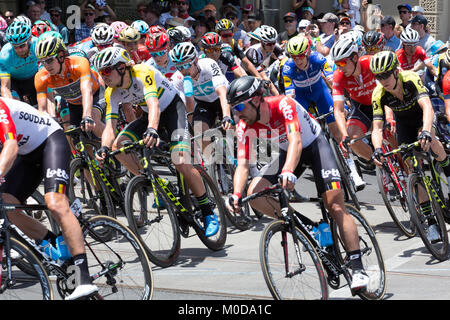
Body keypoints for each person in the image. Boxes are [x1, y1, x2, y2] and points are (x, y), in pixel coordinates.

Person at [226, 75, 370, 291]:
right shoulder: (244, 125)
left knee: (335, 205)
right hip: (287, 152)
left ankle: (358, 268)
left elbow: (296, 140)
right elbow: (243, 165)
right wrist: (236, 194)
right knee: (255, 193)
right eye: (233, 108)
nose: (236, 113)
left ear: (256, 100)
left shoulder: (283, 104)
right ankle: (309, 228)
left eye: (238, 106)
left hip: (314, 146)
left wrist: (287, 171)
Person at [93, 46, 220, 237]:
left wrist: (152, 129)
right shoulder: (113, 91)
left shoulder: (143, 72)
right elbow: (110, 126)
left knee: (181, 161)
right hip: (148, 115)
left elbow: (154, 104)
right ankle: (154, 182)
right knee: (117, 146)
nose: (104, 77)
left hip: (171, 110)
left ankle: (208, 210)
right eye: (101, 73)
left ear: (121, 68)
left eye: (106, 71)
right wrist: (103, 147)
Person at [0, 96, 98, 300]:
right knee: (7, 203)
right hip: (28, 157)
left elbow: (11, 146)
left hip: (50, 141)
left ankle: (84, 278)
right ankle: (53, 245)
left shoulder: (1, 107)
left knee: (54, 202)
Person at [370, 51, 450, 241]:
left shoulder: (411, 78)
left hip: (422, 117)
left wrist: (426, 131)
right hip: (405, 125)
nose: (383, 80)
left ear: (396, 71)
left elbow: (427, 107)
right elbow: (377, 129)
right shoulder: (378, 94)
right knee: (411, 170)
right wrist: (378, 149)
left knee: (433, 141)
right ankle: (430, 222)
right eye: (378, 77)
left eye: (386, 75)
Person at [330, 38, 380, 187]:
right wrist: (344, 134)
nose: (340, 68)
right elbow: (338, 110)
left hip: (381, 103)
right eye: (337, 64)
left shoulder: (371, 62)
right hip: (361, 107)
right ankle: (380, 163)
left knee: (389, 134)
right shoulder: (338, 76)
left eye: (343, 62)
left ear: (355, 57)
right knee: (352, 139)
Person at [34, 34, 105, 138]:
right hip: (74, 103)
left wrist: (86, 115)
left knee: (93, 119)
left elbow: (86, 90)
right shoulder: (41, 76)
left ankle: (115, 147)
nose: (46, 66)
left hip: (95, 94)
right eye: (42, 61)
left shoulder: (79, 63)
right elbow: (43, 107)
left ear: (61, 56)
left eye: (49, 60)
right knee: (76, 136)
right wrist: (51, 121)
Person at [169, 41, 233, 153]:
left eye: (187, 65)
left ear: (196, 60)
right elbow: (188, 106)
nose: (184, 70)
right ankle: (214, 165)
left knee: (235, 130)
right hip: (204, 104)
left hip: (225, 98)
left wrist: (226, 115)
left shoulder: (208, 64)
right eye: (179, 67)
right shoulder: (178, 79)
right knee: (200, 133)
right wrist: (193, 130)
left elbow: (222, 93)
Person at [0, 20, 39, 105]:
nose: (19, 50)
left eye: (22, 45)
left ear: (29, 39)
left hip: (34, 78)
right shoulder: (5, 53)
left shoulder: (37, 45)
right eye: (15, 47)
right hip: (14, 82)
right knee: (15, 105)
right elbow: (5, 87)